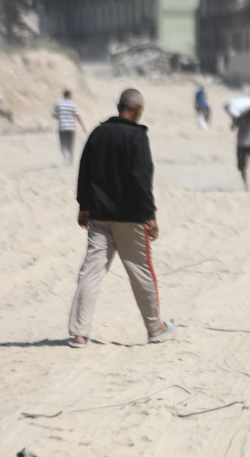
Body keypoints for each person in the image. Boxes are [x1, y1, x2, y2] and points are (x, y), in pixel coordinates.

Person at [68, 89, 177, 348]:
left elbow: (85, 171)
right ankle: (155, 328)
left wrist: (84, 206)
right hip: (131, 218)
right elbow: (142, 179)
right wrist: (150, 216)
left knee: (90, 273)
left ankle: (80, 334)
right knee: (141, 272)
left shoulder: (98, 133)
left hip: (100, 217)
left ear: (119, 107)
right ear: (138, 110)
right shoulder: (137, 136)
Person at [52, 90, 86, 165]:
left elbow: (54, 115)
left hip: (62, 128)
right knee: (71, 145)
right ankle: (70, 162)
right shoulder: (73, 104)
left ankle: (64, 158)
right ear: (70, 96)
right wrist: (83, 126)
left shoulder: (58, 104)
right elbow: (78, 116)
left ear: (63, 95)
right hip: (71, 129)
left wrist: (61, 117)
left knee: (63, 144)